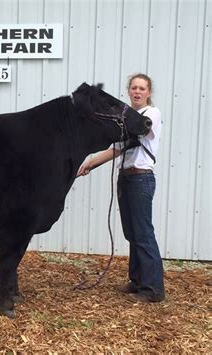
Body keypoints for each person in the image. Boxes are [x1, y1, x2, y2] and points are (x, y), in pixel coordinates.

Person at [77, 73, 165, 303]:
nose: (137, 92)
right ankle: (137, 281)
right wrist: (89, 164)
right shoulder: (129, 118)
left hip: (141, 178)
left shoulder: (150, 115)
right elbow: (116, 149)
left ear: (149, 93)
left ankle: (153, 289)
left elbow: (139, 131)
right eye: (134, 88)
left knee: (143, 233)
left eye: (142, 88)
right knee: (132, 232)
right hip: (126, 178)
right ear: (129, 91)